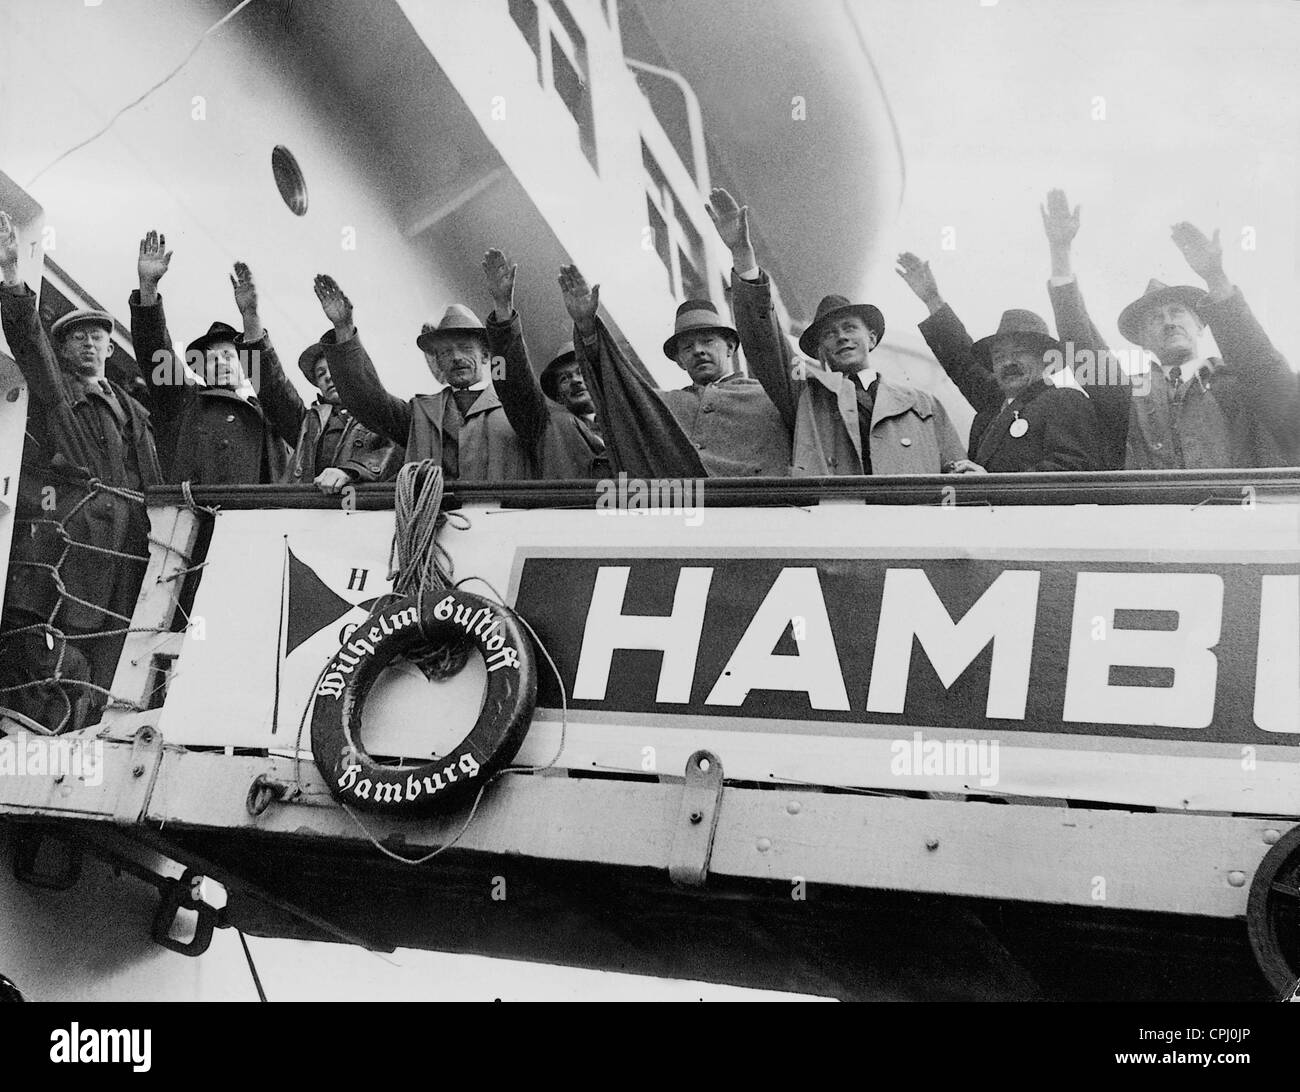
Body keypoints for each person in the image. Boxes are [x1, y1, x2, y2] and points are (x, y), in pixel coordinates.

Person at [0, 210, 162, 734]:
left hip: (126, 551)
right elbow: (30, 344)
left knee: (111, 650)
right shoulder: (60, 396)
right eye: (78, 339)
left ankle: (85, 734)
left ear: (111, 350)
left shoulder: (135, 412)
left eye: (98, 337)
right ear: (65, 350)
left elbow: (153, 486)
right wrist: (11, 278)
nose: (90, 344)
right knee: (55, 640)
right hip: (73, 544)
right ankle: (41, 727)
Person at [713, 188, 964, 476]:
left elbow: (957, 469)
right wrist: (742, 256)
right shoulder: (806, 394)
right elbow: (765, 343)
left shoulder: (922, 403)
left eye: (849, 328)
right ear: (820, 351)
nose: (842, 336)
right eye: (830, 334)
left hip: (908, 517)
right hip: (834, 514)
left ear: (871, 338)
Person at [1042, 189, 1299, 469]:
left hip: (1234, 510)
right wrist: (1060, 252)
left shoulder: (1238, 382)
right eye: (1154, 318)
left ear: (1201, 324)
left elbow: (1258, 359)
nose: (1168, 322)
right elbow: (1080, 347)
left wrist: (1215, 277)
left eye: (1177, 312)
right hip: (1153, 512)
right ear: (1141, 341)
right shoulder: (1131, 393)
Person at [556, 266, 789, 478]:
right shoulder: (663, 405)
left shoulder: (768, 395)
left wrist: (744, 262)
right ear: (679, 361)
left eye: (707, 341)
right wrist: (587, 328)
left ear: (730, 347)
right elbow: (616, 390)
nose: (698, 351)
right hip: (684, 512)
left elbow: (773, 346)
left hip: (757, 511)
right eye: (688, 347)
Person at [312, 274, 533, 481]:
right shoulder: (420, 413)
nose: (456, 357)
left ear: (485, 355)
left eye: (465, 347)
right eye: (445, 352)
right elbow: (368, 401)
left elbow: (519, 379)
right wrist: (344, 329)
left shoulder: (516, 408)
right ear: (437, 361)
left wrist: (503, 309)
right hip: (433, 520)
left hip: (505, 520)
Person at [895, 252, 1100, 473]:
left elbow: (1073, 466)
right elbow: (960, 358)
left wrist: (991, 482)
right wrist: (932, 299)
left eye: (1019, 352)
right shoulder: (994, 406)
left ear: (1047, 361)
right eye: (999, 357)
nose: (1008, 362)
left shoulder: (1064, 400)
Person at [129, 232, 298, 483]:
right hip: (201, 515)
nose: (221, 361)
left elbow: (274, 384)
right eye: (212, 358)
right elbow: (156, 353)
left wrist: (251, 317)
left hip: (258, 518)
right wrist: (148, 289)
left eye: (229, 355)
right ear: (200, 369)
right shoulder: (187, 400)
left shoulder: (271, 413)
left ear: (246, 365)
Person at [480, 248, 608, 479]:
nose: (575, 381)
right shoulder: (547, 425)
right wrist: (503, 308)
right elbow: (505, 380)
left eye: (581, 373)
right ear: (558, 396)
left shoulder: (622, 425)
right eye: (564, 378)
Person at [285, 339, 402, 492]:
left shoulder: (379, 411)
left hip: (361, 506)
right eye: (320, 374)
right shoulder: (307, 422)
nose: (327, 377)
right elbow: (271, 386)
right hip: (311, 508)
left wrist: (350, 471)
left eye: (333, 369)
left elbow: (395, 449)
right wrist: (251, 324)